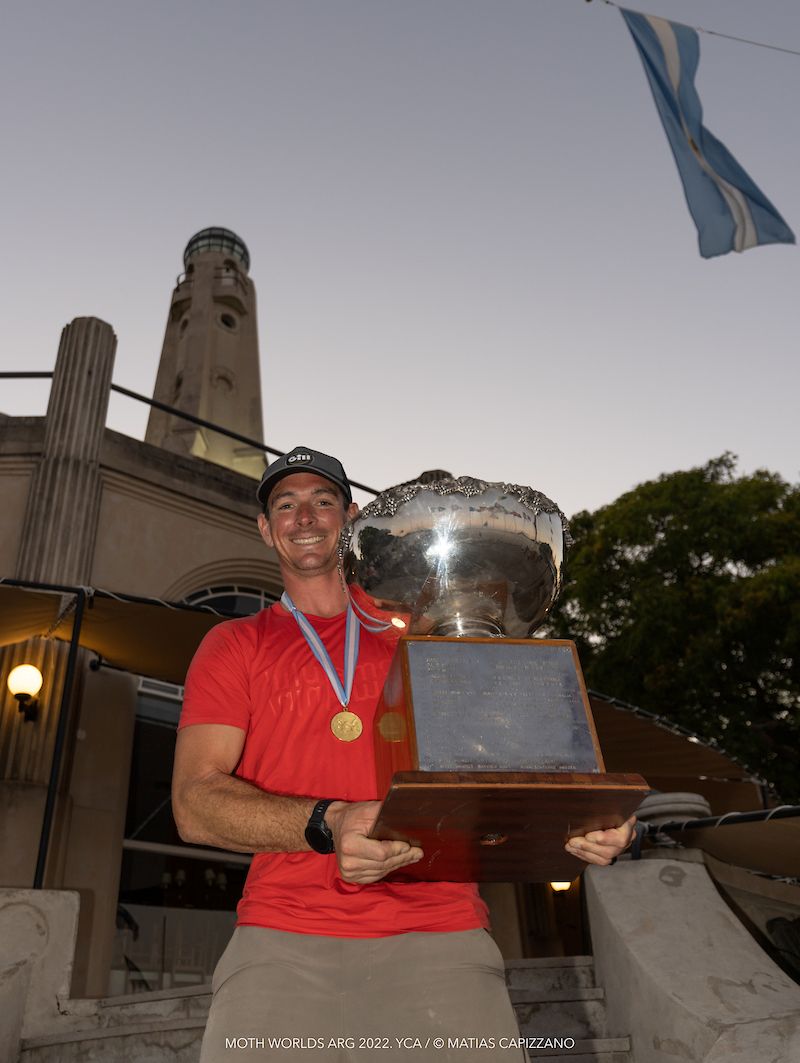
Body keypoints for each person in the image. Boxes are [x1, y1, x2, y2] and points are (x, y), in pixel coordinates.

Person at [172, 445, 635, 1062]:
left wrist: (586, 816)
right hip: (281, 943)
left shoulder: (429, 628)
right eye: (285, 505)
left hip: (441, 941)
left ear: (352, 518)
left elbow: (515, 758)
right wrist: (327, 822)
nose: (304, 517)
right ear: (265, 528)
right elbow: (195, 803)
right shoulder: (233, 645)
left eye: (322, 502)